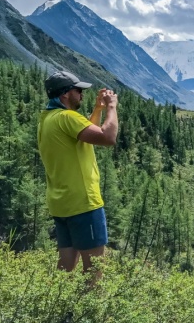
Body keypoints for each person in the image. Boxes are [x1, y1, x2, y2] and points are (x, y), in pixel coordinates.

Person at [37, 71, 118, 280]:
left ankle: (59, 309)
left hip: (61, 204)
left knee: (66, 268)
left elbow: (84, 135)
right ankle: (89, 312)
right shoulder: (68, 117)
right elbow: (108, 137)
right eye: (78, 90)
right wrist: (111, 106)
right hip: (84, 203)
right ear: (65, 94)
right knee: (94, 270)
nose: (82, 94)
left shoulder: (47, 119)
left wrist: (97, 109)